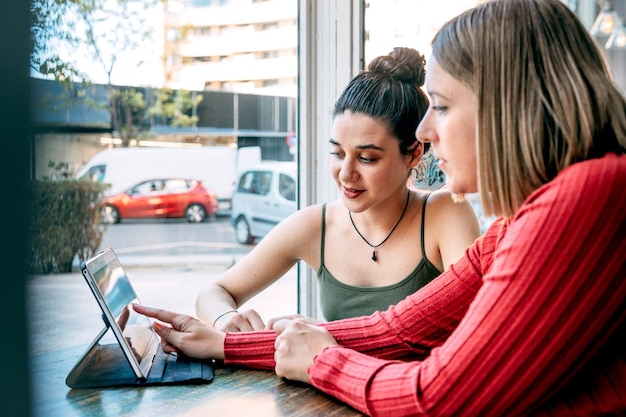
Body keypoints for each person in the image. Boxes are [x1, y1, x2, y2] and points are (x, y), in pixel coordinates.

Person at [134, 0, 626, 414]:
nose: (426, 131)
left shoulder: (587, 194)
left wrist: (322, 361)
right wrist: (224, 344)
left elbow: (441, 396)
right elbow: (399, 330)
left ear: (507, 105)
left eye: (444, 106)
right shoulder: (527, 220)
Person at [196, 47, 480, 331]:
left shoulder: (445, 214)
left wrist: (326, 334)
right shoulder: (316, 226)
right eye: (338, 153)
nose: (346, 174)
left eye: (367, 158)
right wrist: (225, 319)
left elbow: (472, 329)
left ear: (414, 154)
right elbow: (213, 292)